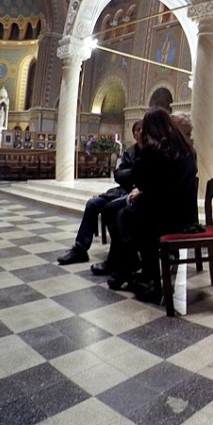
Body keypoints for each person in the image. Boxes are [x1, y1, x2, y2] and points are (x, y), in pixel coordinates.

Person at [114, 107, 197, 303]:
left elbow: (139, 180)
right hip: (185, 217)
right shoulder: (187, 150)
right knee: (137, 214)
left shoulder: (155, 150)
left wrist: (143, 149)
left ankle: (147, 278)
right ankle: (139, 273)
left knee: (126, 217)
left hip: (165, 218)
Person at [57, 120, 142, 267]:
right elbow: (118, 174)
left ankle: (120, 256)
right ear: (133, 134)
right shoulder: (130, 152)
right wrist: (134, 173)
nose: (140, 132)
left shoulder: (151, 151)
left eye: (143, 129)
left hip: (137, 194)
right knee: (93, 203)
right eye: (137, 129)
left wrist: (132, 176)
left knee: (112, 209)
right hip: (122, 190)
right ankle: (80, 249)